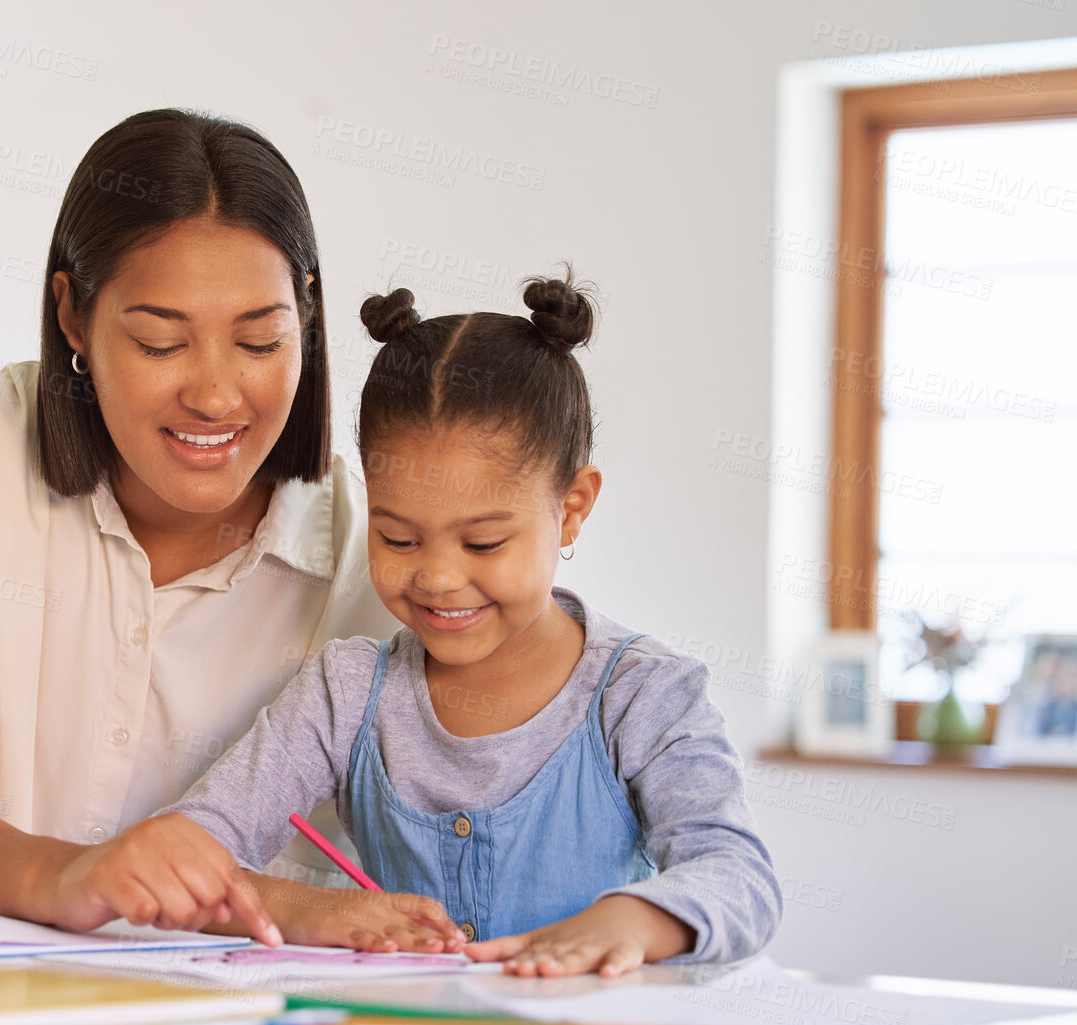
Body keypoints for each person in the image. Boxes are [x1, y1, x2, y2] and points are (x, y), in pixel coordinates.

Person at [0, 107, 460, 950]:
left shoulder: (376, 545)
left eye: (260, 342)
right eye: (159, 343)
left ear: (307, 317)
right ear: (73, 316)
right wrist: (78, 875)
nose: (216, 397)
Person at [144, 274, 784, 975]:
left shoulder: (641, 695)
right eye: (398, 538)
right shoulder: (349, 692)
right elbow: (184, 857)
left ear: (572, 506)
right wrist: (310, 908)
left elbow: (739, 877)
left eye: (482, 543)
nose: (439, 578)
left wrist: (636, 918)